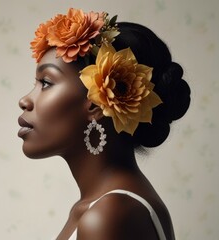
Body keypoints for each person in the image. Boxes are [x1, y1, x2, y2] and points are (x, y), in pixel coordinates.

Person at [18, 8, 190, 240]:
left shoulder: (110, 214)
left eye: (46, 83)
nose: (25, 100)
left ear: (97, 103)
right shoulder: (104, 206)